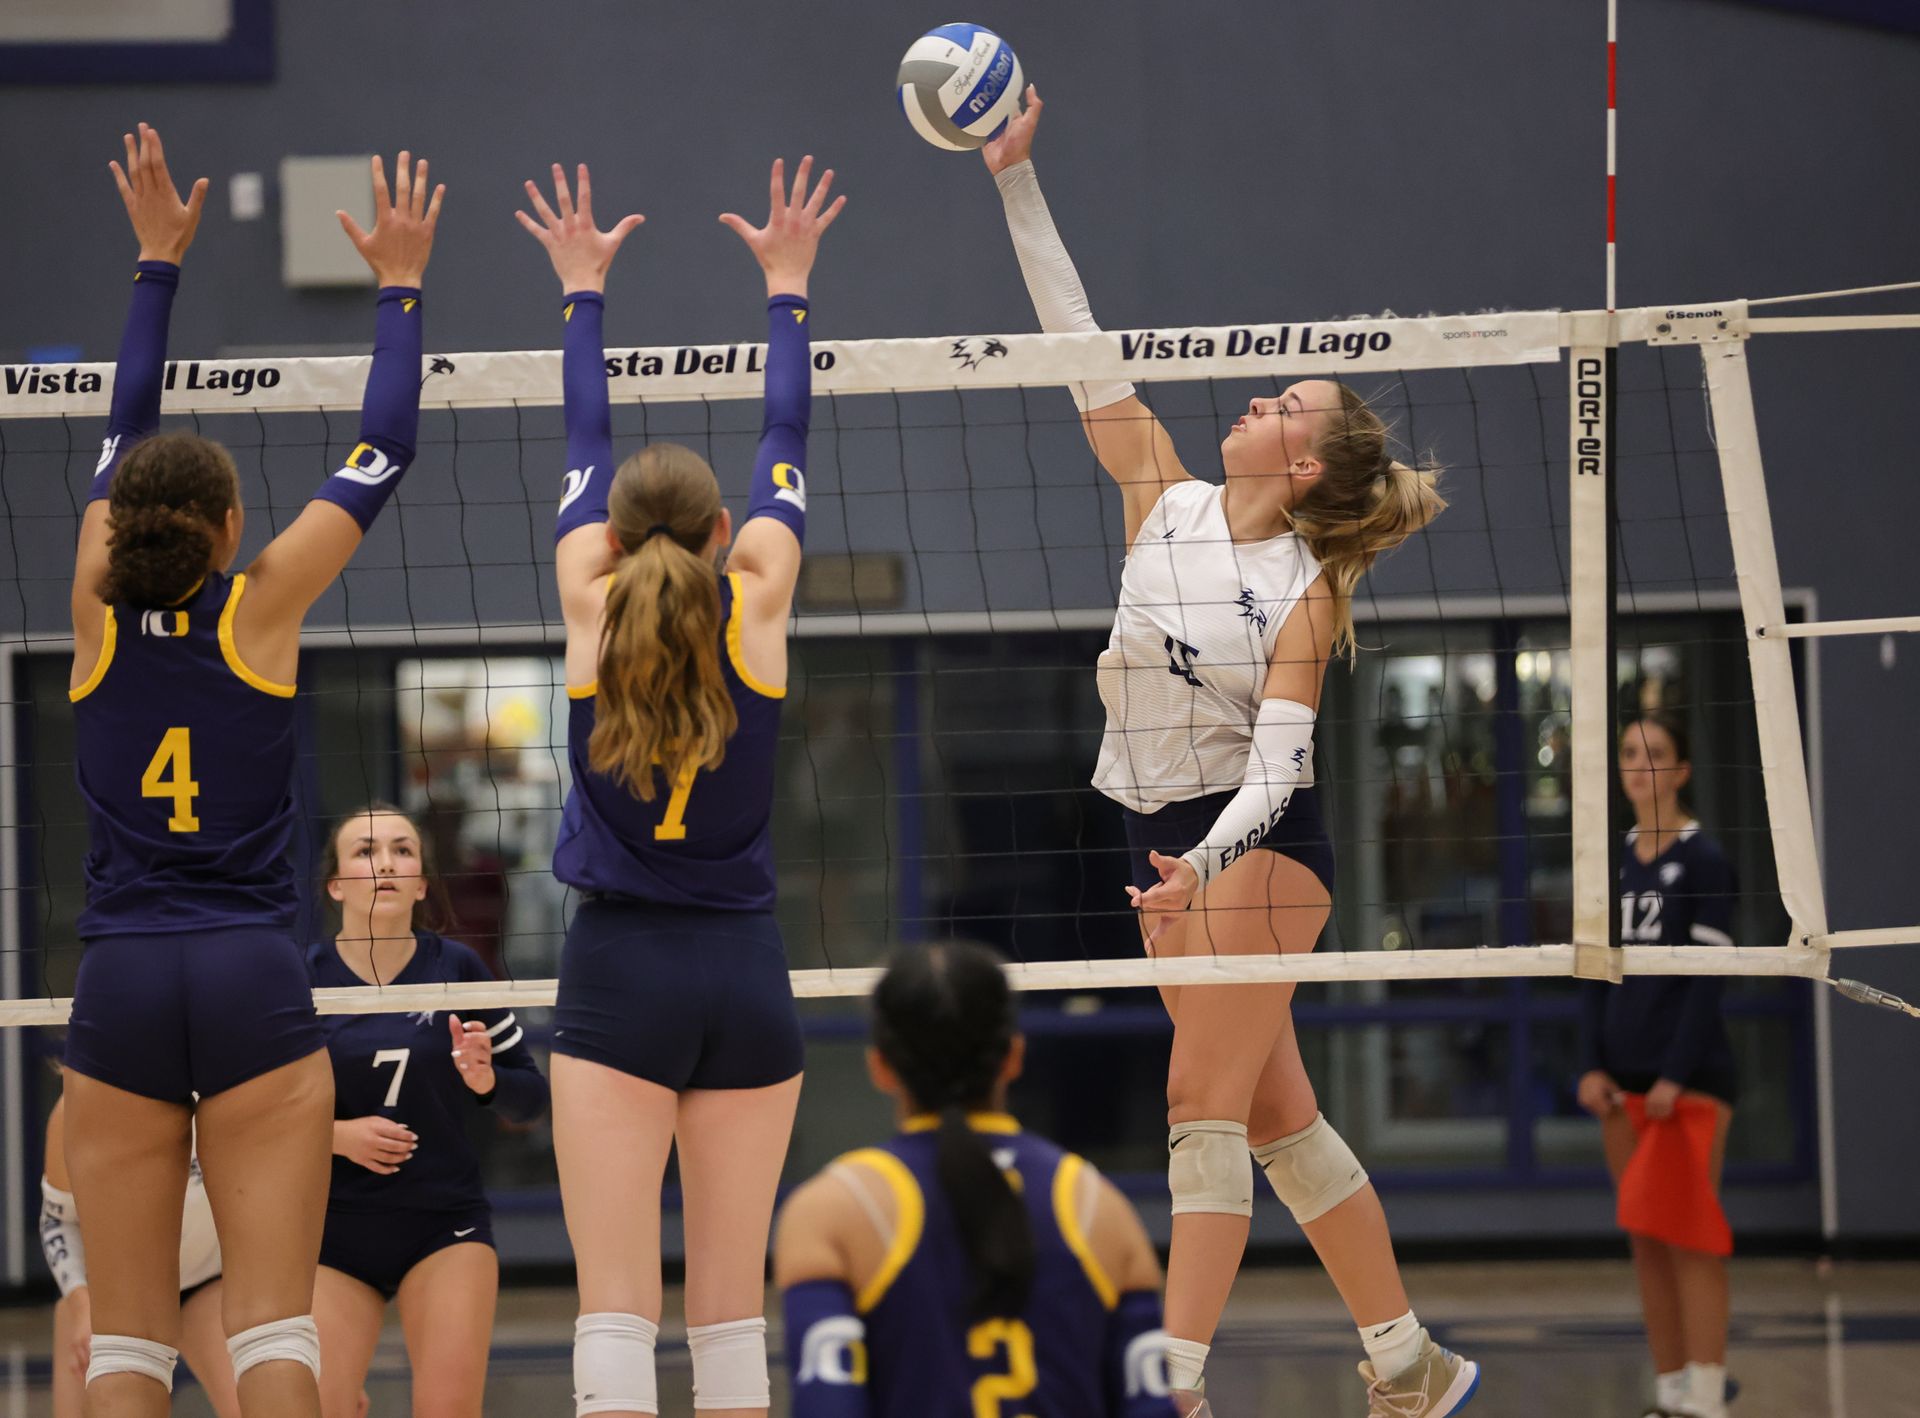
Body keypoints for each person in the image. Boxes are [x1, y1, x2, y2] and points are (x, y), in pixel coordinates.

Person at [980, 92, 1476, 1418]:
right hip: (1151, 834)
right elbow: (1077, 347)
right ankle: (1411, 1358)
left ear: (1305, 462)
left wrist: (1199, 866)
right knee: (1273, 1121)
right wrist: (1017, 182)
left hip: (1247, 843)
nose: (1254, 398)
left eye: (1281, 401)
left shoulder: (1307, 587)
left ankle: (1170, 1385)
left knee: (1197, 1091)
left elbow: (1279, 774)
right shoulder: (1163, 490)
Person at [61, 123, 441, 1418]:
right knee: (273, 1324)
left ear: (123, 529)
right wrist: (399, 287)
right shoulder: (260, 606)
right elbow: (384, 445)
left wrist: (154, 264)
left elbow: (119, 444)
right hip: (248, 970)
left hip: (119, 969)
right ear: (231, 531)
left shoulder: (93, 606)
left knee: (122, 1344)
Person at [515, 155, 843, 1418]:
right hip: (744, 977)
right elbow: (784, 442)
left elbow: (583, 449)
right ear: (721, 537)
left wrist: (582, 290)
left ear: (615, 537)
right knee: (728, 1314)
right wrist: (788, 286)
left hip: (619, 972)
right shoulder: (757, 603)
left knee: (613, 1302)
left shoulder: (589, 605)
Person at [776, 941, 1177, 1418]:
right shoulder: (1100, 1208)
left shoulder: (833, 1211)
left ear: (879, 1066)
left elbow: (827, 1410)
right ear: (1014, 1055)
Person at [308, 804, 550, 1418]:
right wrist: (333, 1135)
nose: (385, 862)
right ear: (335, 885)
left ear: (420, 884)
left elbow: (532, 1098)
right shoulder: (298, 980)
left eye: (402, 850)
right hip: (328, 1232)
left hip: (444, 1227)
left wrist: (488, 1079)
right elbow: (247, 1114)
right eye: (364, 851)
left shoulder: (458, 968)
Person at [1579, 713, 1738, 1418]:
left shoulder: (1705, 862)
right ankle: (1669, 1393)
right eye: (1628, 755)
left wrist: (1677, 1073)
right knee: (1646, 1236)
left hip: (1689, 1085)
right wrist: (1590, 1065)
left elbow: (1708, 980)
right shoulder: (1606, 860)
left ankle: (1706, 1395)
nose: (1639, 766)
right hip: (1623, 1089)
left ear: (1681, 771)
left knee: (1689, 1237)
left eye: (1655, 755)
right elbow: (1591, 973)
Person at [43, 1090, 238, 1418]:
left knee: (259, 1398)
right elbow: (57, 1221)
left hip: (205, 1282)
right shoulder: (76, 1106)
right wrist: (80, 1305)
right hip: (112, 1294)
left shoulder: (222, 1086)